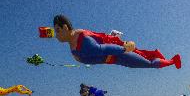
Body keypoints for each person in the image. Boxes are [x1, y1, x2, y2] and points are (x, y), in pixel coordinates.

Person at [53, 15, 181, 69]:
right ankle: (168, 60)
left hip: (119, 54)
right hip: (116, 58)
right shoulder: (74, 43)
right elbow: (100, 44)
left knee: (149, 63)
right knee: (145, 61)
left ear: (65, 27)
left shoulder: (82, 41)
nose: (56, 35)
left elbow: (102, 49)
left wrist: (124, 49)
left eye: (57, 30)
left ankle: (172, 61)